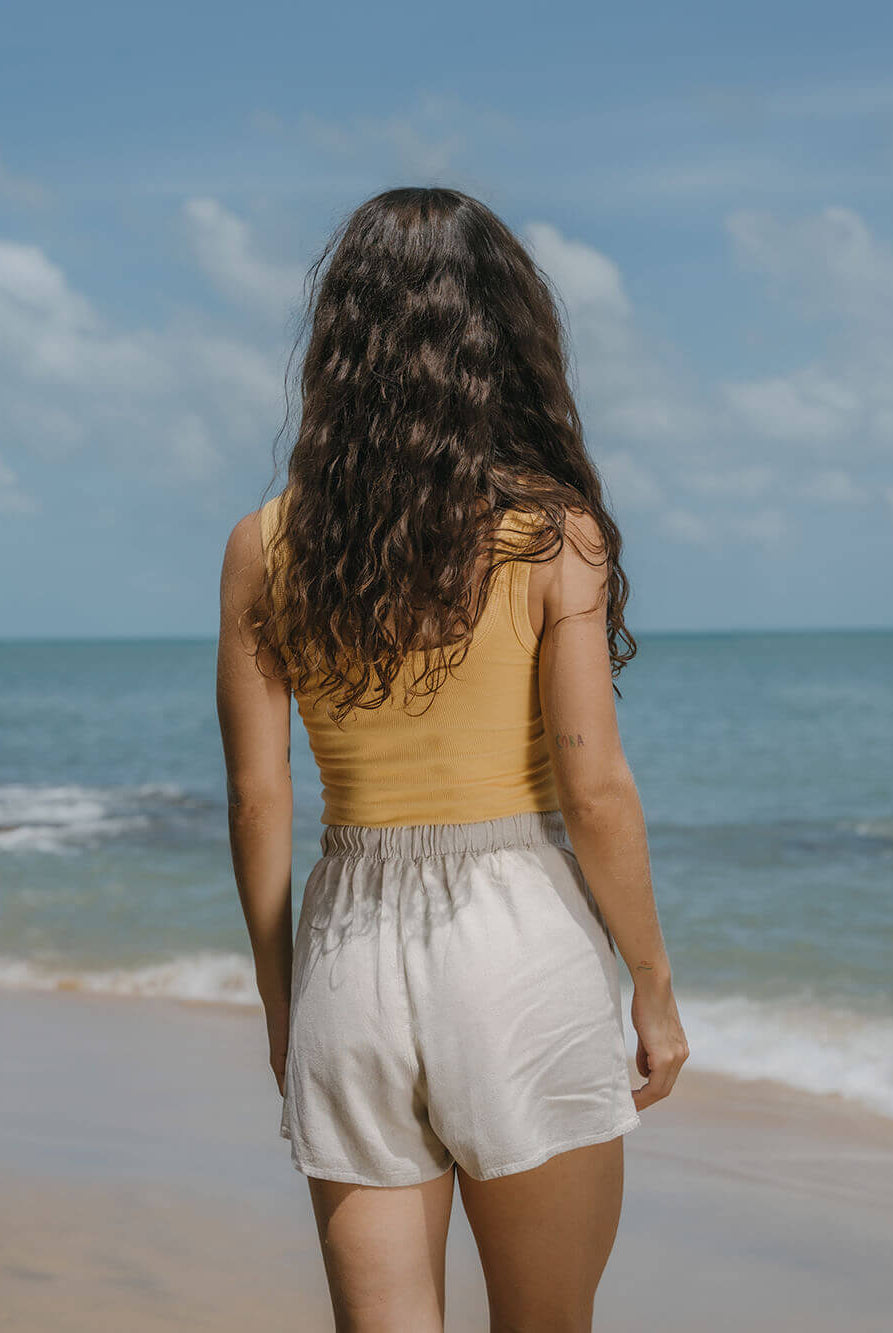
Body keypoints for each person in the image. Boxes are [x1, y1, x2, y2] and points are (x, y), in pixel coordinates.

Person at [216, 186, 688, 1333]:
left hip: (348, 954)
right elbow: (592, 790)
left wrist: (284, 999)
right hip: (518, 946)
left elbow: (257, 795)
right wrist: (656, 992)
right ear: (502, 335)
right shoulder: (549, 532)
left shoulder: (265, 545)